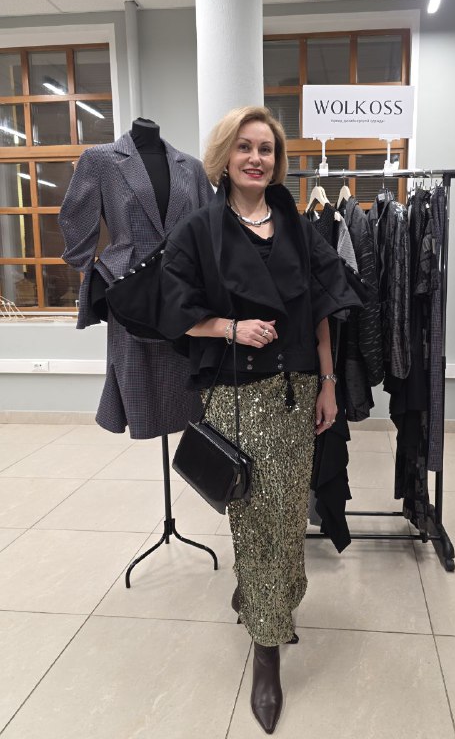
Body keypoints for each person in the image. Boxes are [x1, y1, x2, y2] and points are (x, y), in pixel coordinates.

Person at [156, 106, 363, 734]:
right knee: (256, 516)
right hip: (237, 394)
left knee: (288, 510)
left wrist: (328, 383)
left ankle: (263, 596)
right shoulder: (199, 229)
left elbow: (322, 308)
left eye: (266, 149)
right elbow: (174, 310)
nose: (256, 158)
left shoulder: (296, 225)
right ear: (226, 156)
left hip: (298, 391)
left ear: (277, 161)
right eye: (245, 147)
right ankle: (266, 647)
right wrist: (231, 326)